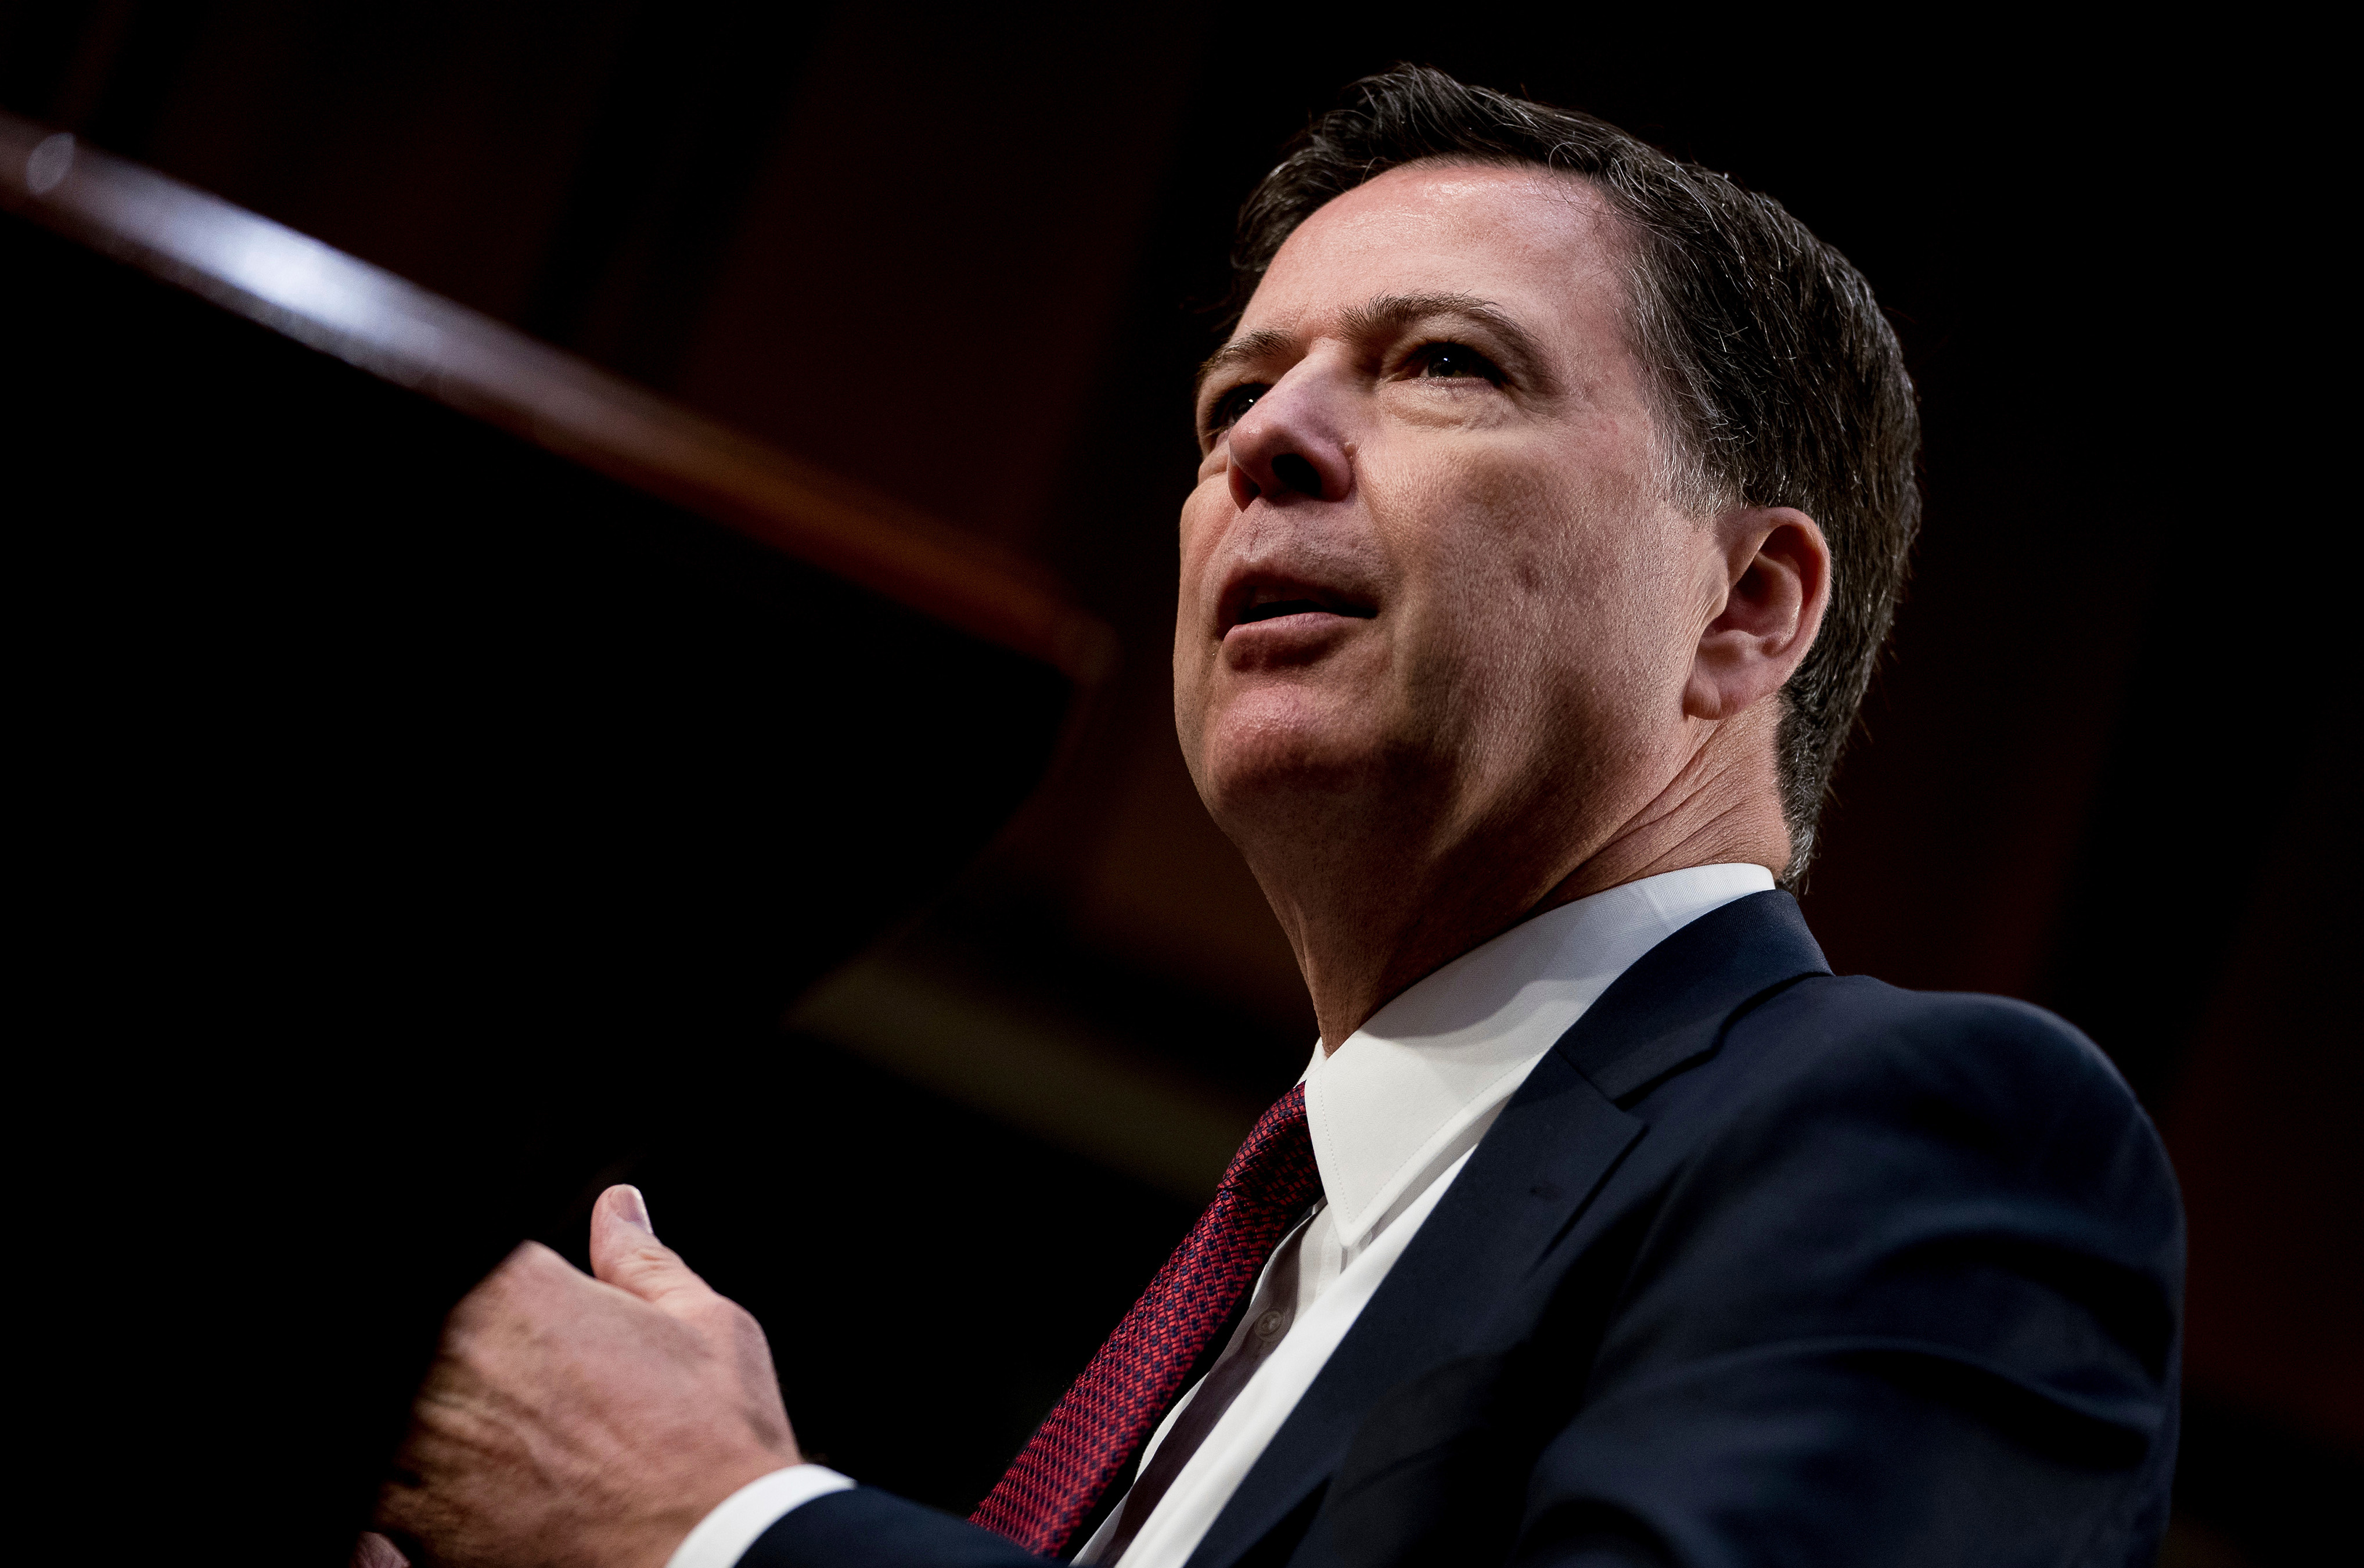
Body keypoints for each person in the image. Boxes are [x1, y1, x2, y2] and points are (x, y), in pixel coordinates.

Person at [371, 66, 2183, 1568]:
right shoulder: (1257, 1275)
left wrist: (721, 1531)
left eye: (1447, 364)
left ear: (1748, 609)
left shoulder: (1933, 1142)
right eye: (1236, 393)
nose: (1265, 444)